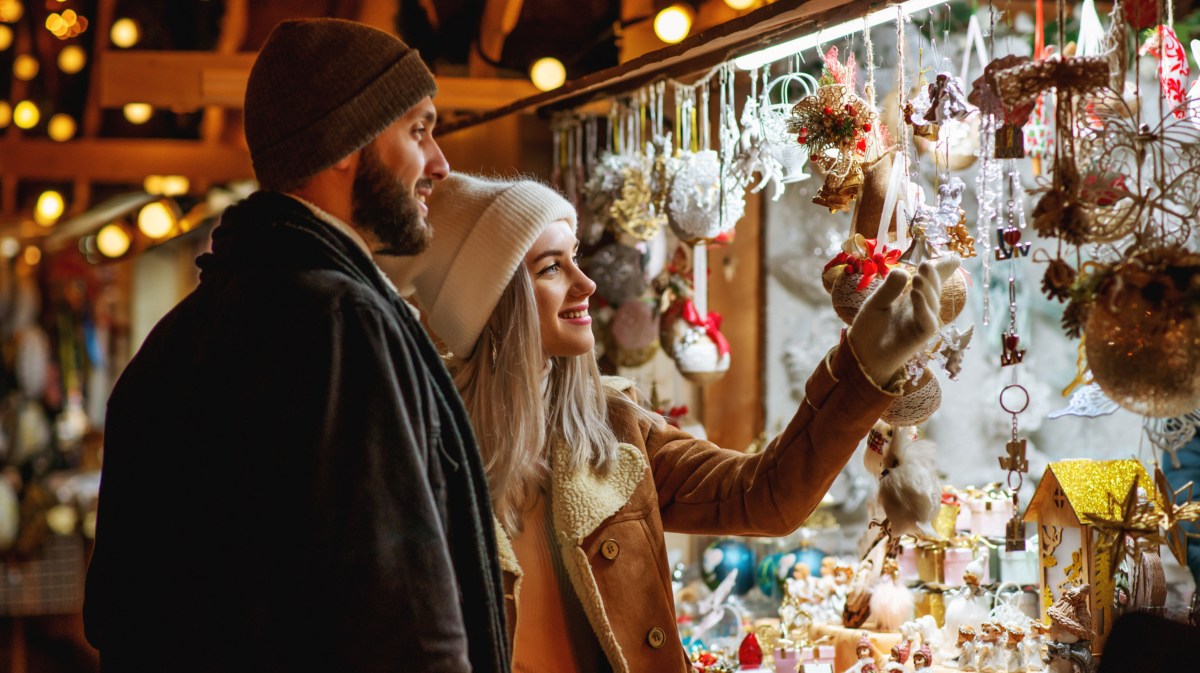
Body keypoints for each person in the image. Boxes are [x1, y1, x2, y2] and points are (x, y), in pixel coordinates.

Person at [384, 173, 959, 672]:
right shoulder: (420, 449)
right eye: (551, 268)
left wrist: (861, 367)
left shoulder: (612, 424)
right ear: (492, 301)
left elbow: (766, 497)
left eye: (576, 258)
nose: (586, 285)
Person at [83, 20, 509, 672]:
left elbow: (119, 612)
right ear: (346, 142)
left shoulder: (173, 341)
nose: (440, 163)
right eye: (418, 131)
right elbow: (405, 615)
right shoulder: (344, 320)